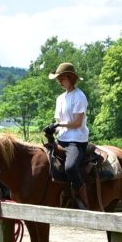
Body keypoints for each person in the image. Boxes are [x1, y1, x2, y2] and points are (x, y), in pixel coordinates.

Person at [46, 62, 90, 209]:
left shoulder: (80, 96)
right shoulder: (60, 98)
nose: (59, 80)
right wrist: (52, 129)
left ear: (70, 78)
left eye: (62, 77)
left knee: (70, 167)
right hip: (62, 138)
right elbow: (58, 121)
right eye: (58, 78)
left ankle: (84, 200)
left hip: (76, 140)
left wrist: (60, 125)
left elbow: (78, 123)